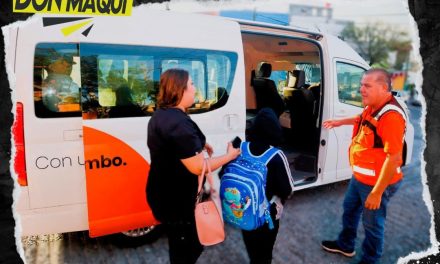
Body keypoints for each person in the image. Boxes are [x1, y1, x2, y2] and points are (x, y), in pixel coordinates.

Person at [146, 69, 241, 264]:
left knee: (179, 241)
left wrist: (199, 144)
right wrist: (229, 156)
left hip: (161, 191)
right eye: (191, 84)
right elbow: (198, 167)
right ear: (179, 89)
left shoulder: (161, 114)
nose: (194, 88)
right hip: (176, 200)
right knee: (189, 247)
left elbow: (174, 146)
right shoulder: (178, 124)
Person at [321, 69, 407, 264]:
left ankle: (370, 260)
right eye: (361, 85)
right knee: (350, 210)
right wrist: (339, 122)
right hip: (361, 177)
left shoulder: (390, 117)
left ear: (383, 88)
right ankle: (346, 245)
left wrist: (377, 193)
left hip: (377, 182)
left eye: (366, 86)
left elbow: (394, 158)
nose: (361, 89)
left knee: (373, 225)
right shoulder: (373, 106)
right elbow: (361, 120)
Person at [221, 107, 294, 264]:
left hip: (245, 211)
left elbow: (223, 174)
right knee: (265, 253)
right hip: (267, 215)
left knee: (253, 249)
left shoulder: (239, 147)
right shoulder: (276, 156)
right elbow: (287, 190)